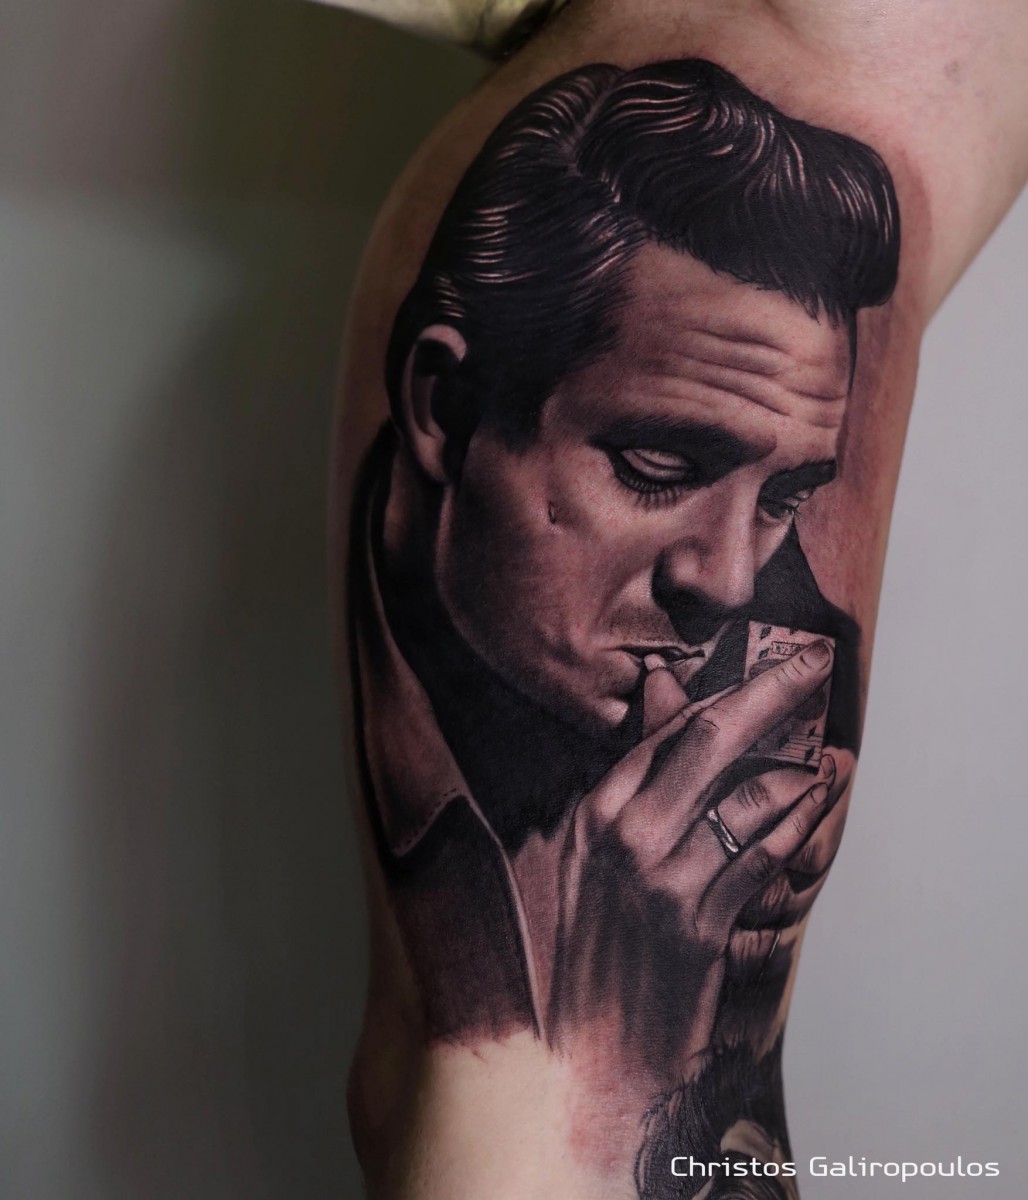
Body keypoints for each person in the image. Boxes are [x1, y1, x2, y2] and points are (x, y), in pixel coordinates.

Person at [334, 2, 1028, 1196]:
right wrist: (603, 1046)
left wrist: (637, 1047)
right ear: (440, 409)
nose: (728, 581)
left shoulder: (777, 643)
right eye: (659, 466)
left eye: (786, 497)